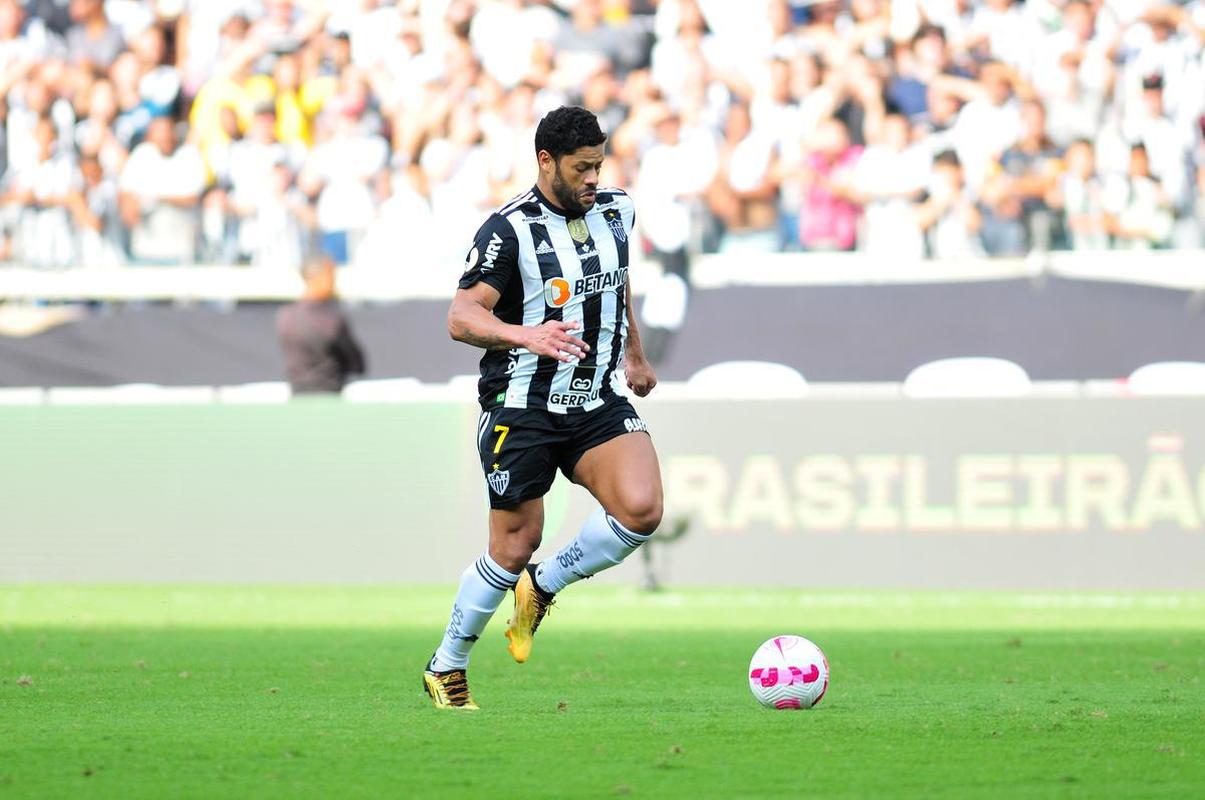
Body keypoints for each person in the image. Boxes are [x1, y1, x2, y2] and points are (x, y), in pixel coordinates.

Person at [423, 105, 661, 710]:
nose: (593, 179)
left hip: (595, 397)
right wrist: (525, 334)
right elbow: (462, 316)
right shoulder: (507, 231)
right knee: (514, 544)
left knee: (641, 509)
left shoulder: (617, 210)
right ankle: (447, 665)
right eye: (581, 168)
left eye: (599, 166)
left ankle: (544, 585)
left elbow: (617, 283)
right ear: (546, 162)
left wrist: (634, 353)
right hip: (521, 405)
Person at [275, 252, 366, 394]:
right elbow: (357, 363)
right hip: (329, 397)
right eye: (331, 276)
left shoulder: (284, 316)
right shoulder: (330, 320)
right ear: (318, 277)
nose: (334, 283)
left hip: (298, 397)